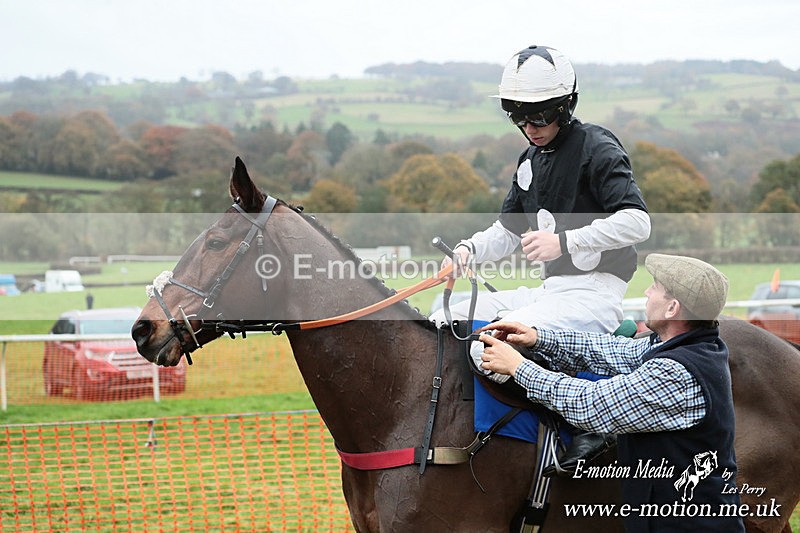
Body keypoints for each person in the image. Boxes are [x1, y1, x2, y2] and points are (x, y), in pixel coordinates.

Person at [478, 253, 744, 532]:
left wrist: (518, 368)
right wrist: (538, 338)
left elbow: (591, 405)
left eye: (656, 288)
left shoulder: (677, 373)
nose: (647, 291)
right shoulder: (680, 347)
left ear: (672, 308)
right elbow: (611, 351)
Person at [430, 44, 650, 381]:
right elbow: (506, 232)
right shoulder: (529, 160)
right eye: (519, 118)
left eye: (540, 116)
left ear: (566, 106)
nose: (530, 127)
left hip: (595, 296)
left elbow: (637, 222)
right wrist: (467, 250)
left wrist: (563, 242)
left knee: (487, 348)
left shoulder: (598, 147)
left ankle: (562, 431)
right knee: (443, 322)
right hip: (550, 292)